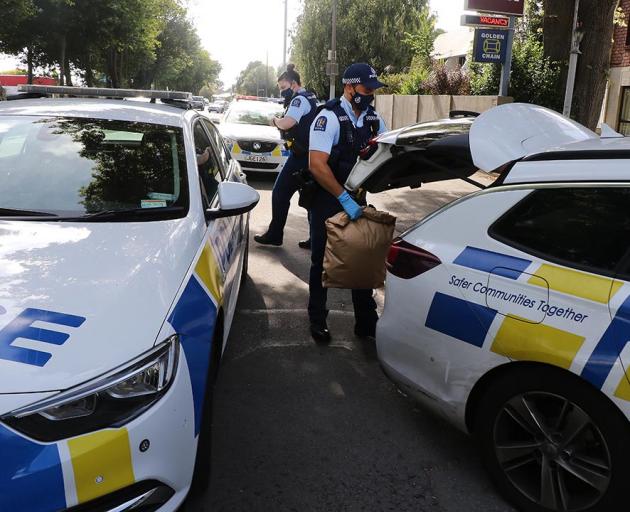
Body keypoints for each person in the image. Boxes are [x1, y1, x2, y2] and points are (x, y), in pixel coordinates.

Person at [306, 63, 388, 342]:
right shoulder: (328, 118)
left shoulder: (374, 119)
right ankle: (317, 320)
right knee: (322, 262)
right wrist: (342, 196)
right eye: (367, 89)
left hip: (358, 199)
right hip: (327, 200)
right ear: (350, 87)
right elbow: (316, 165)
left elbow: (386, 154)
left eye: (373, 90)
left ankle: (365, 321)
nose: (371, 95)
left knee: (362, 259)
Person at [254, 64, 318, 249]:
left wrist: (274, 121)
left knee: (280, 193)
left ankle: (275, 234)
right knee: (309, 199)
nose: (282, 92)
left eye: (283, 88)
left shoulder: (299, 100)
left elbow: (288, 123)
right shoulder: (310, 96)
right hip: (309, 155)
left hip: (300, 157)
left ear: (294, 84)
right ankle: (316, 238)